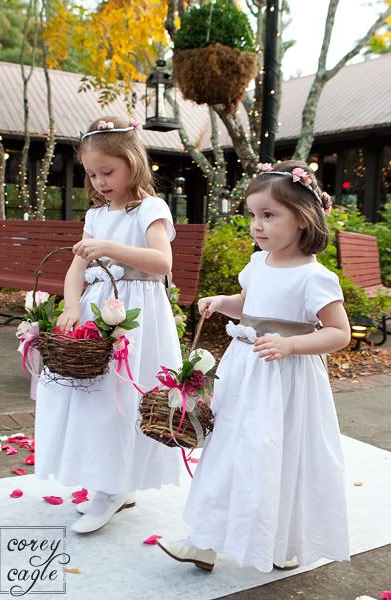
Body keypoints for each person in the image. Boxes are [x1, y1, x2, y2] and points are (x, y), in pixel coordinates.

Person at [157, 160, 351, 572]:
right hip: (246, 370)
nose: (257, 225)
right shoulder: (259, 263)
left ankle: (280, 541)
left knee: (278, 454)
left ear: (302, 219)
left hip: (286, 379)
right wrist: (221, 302)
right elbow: (250, 305)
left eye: (269, 215)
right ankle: (204, 541)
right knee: (230, 448)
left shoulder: (314, 277)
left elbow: (338, 333)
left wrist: (292, 345)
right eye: (252, 215)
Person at [35, 117, 181, 533]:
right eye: (92, 174)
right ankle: (111, 482)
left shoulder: (150, 209)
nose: (99, 182)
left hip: (135, 311)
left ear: (132, 164)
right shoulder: (97, 215)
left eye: (107, 172)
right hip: (100, 310)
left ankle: (113, 488)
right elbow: (75, 268)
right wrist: (72, 306)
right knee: (94, 396)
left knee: (120, 398)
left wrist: (111, 248)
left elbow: (162, 263)